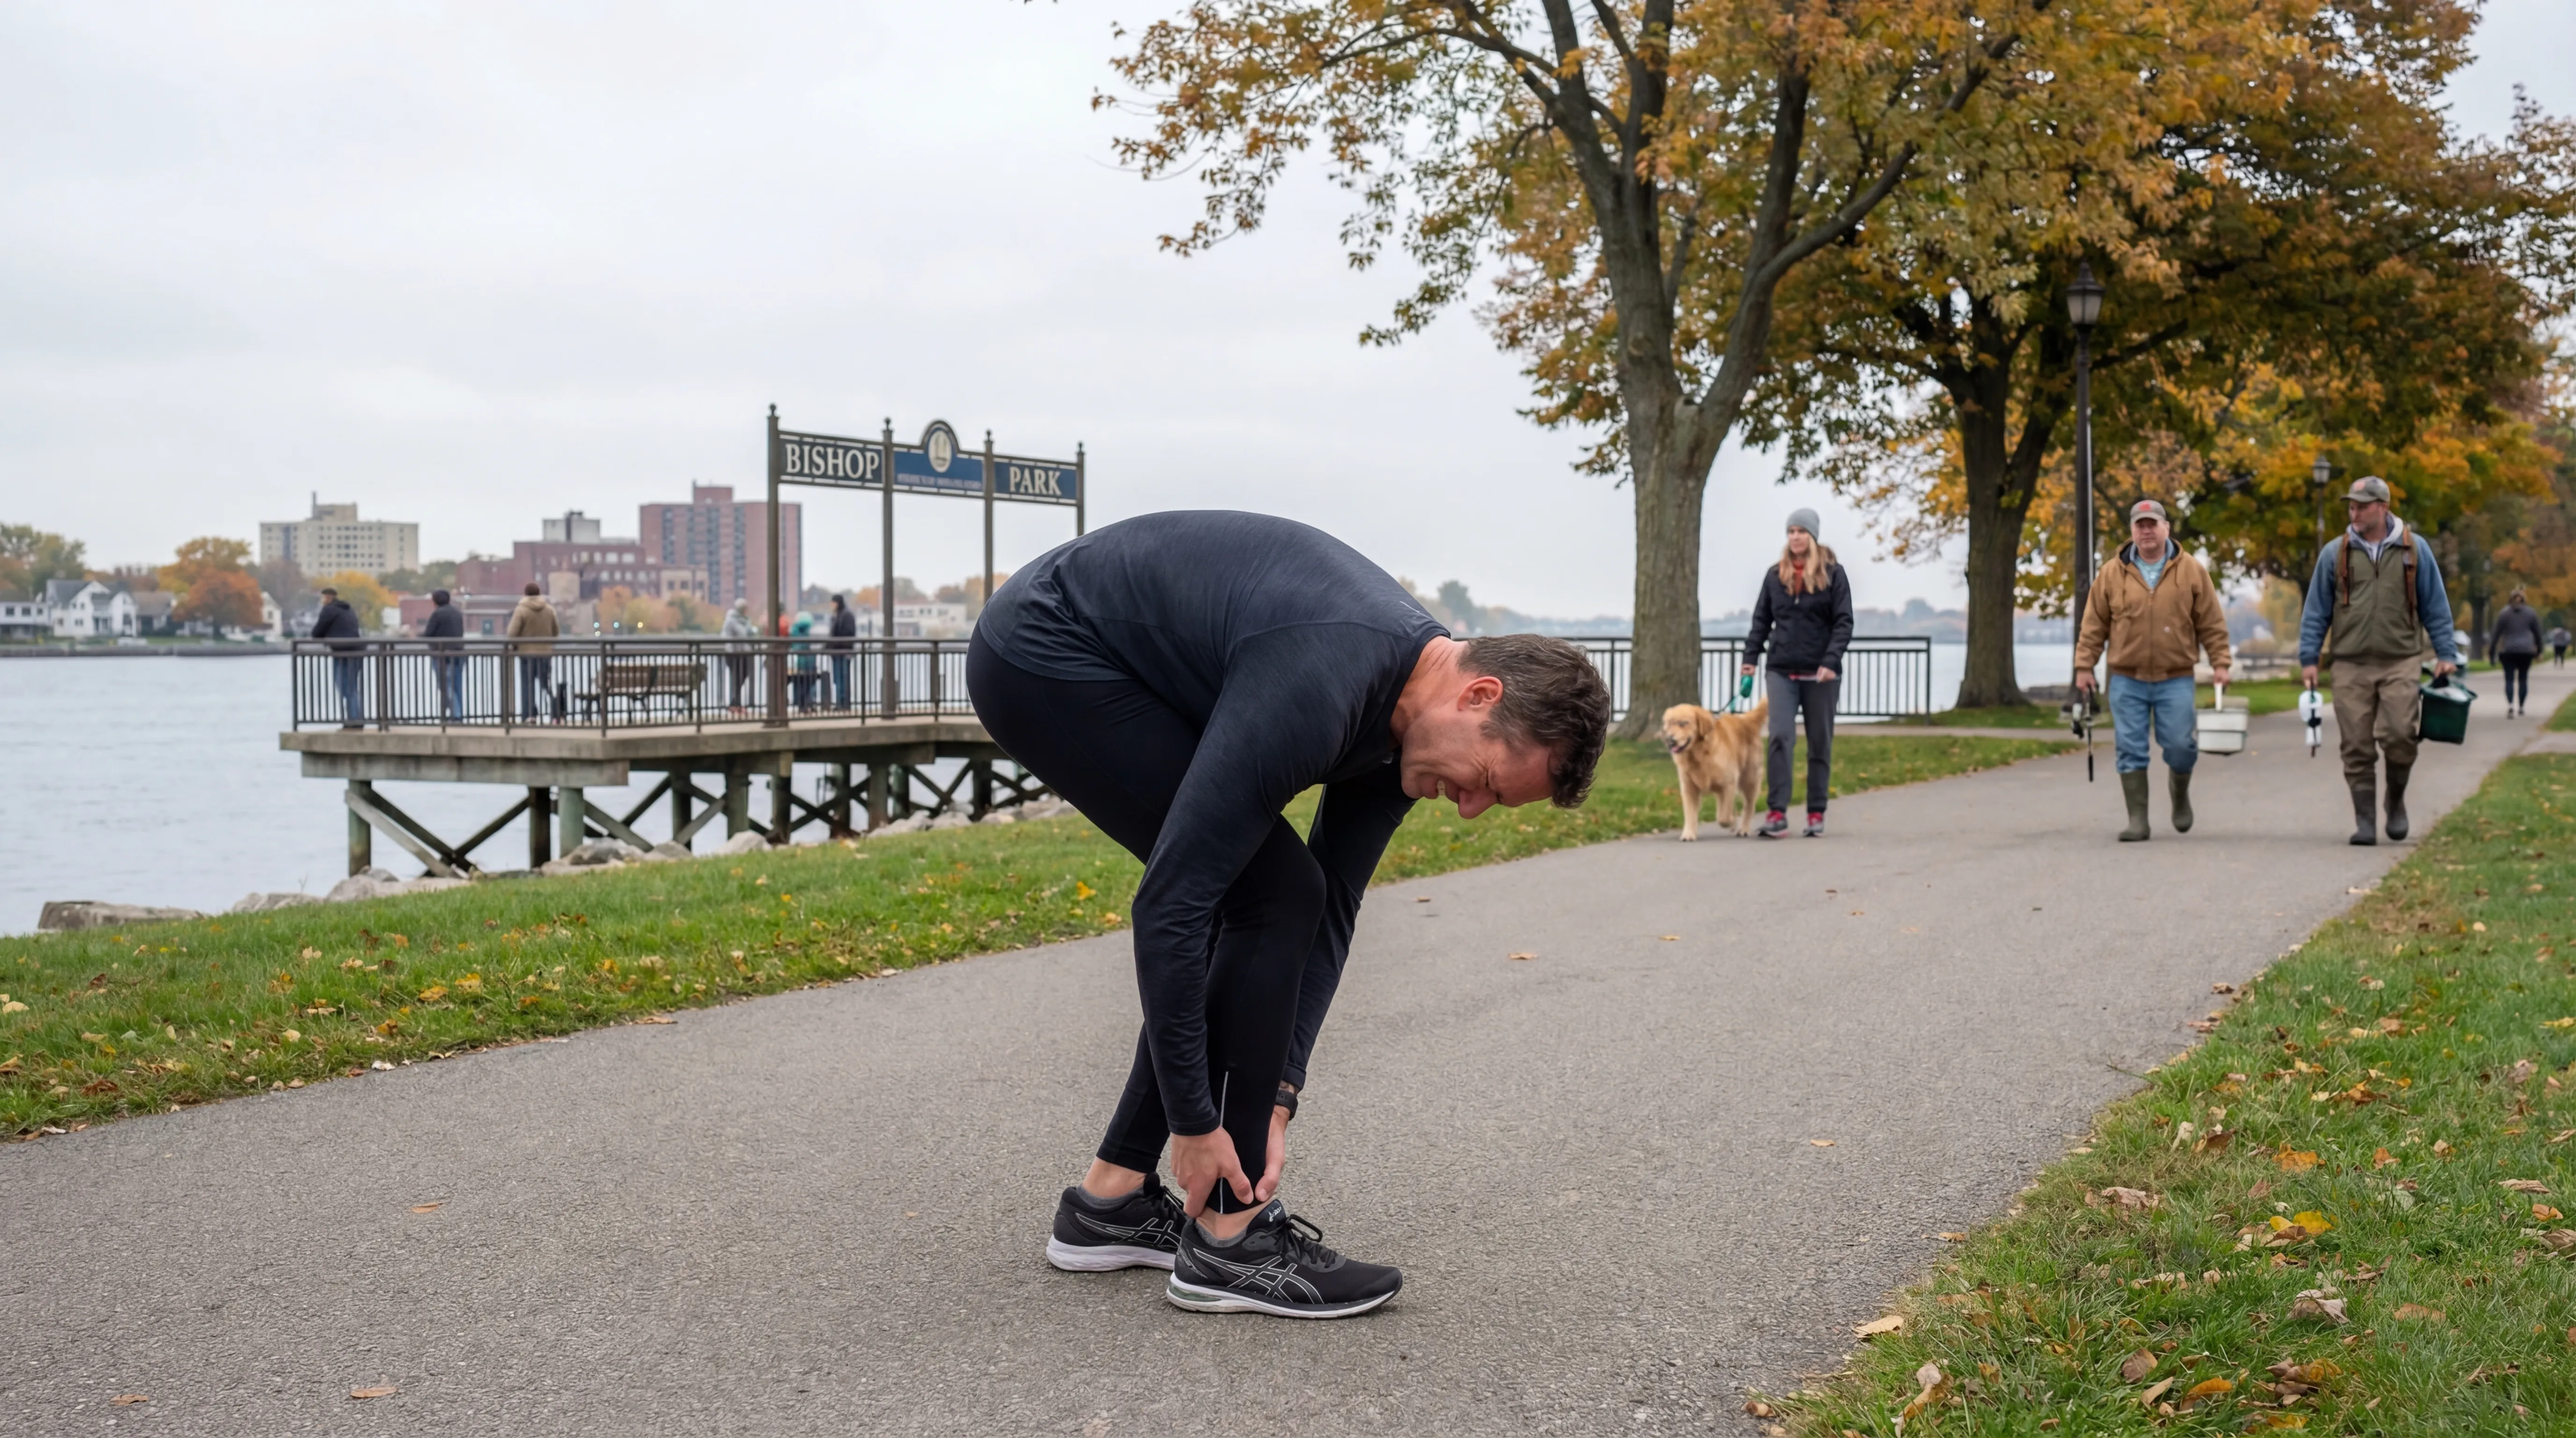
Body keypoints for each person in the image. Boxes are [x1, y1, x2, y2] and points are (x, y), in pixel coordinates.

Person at [969, 511, 1610, 1319]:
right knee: (1262, 891)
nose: (1471, 809)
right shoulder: (1327, 676)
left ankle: (1111, 1202)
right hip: (1044, 647)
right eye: (1483, 778)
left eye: (1491, 801)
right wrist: (1199, 1123)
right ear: (1478, 694)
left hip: (1115, 654)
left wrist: (1276, 1093)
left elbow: (1332, 908)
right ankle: (1231, 1238)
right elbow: (1170, 904)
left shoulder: (1404, 727)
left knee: (1283, 892)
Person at [2298, 475, 2458, 845]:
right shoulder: (2334, 554)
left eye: (2362, 504)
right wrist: (2309, 657)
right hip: (2350, 664)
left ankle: (2396, 800)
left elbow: (2436, 606)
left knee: (2402, 737)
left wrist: (2446, 652)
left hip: (2400, 659)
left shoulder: (2414, 550)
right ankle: (2366, 820)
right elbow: (2316, 612)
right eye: (2351, 504)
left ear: (2383, 507)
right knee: (2356, 745)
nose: (2354, 510)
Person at [2073, 499, 2232, 842]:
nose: (2146, 531)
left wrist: (2221, 663)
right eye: (2140, 525)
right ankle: (2138, 821)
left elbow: (2212, 622)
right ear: (2132, 531)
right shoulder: (2112, 573)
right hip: (2126, 678)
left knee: (2180, 747)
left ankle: (2180, 796)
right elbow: (2093, 625)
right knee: (2130, 746)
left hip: (2175, 677)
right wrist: (2084, 666)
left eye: (2152, 524)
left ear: (2166, 528)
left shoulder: (2192, 570)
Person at [1740, 508, 1853, 838]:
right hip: (1781, 670)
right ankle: (1777, 812)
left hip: (1822, 674)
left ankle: (1816, 812)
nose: (1795, 537)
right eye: (1791, 531)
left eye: (1801, 531)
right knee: (1780, 738)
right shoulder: (1776, 575)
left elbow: (1844, 622)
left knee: (1820, 743)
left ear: (1813, 536)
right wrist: (1751, 657)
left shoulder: (1834, 574)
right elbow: (1761, 621)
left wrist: (1831, 662)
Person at [312, 586, 365, 728]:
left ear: (328, 597)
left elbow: (317, 632)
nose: (321, 601)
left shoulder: (329, 610)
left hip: (342, 652)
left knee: (343, 686)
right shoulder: (347, 608)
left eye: (322, 598)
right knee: (352, 688)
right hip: (357, 650)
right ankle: (357, 719)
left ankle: (354, 720)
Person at [506, 582, 560, 721]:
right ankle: (557, 713)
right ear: (539, 593)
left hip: (527, 654)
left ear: (525, 594)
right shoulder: (549, 610)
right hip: (546, 654)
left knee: (527, 685)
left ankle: (530, 715)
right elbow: (556, 632)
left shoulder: (521, 610)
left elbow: (512, 633)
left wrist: (516, 645)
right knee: (547, 684)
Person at [2491, 588, 2542, 718]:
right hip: (2526, 650)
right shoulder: (2531, 614)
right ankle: (2521, 707)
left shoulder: (2504, 614)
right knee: (2523, 679)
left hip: (2508, 650)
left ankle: (2510, 705)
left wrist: (2492, 652)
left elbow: (2496, 634)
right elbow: (2538, 634)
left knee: (2509, 679)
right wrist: (2539, 650)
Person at [422, 588, 466, 720]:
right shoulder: (457, 613)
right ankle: (456, 714)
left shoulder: (438, 614)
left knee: (446, 686)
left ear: (435, 601)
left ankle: (455, 715)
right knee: (457, 686)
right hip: (459, 654)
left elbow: (429, 634)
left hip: (443, 656)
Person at [721, 599, 758, 713]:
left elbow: (749, 633)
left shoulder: (745, 620)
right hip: (734, 653)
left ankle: (735, 703)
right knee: (737, 677)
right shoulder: (732, 620)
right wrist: (750, 627)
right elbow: (741, 634)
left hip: (744, 653)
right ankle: (736, 704)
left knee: (743, 676)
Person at [828, 594, 859, 709]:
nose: (832, 605)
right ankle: (840, 703)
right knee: (838, 679)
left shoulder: (846, 616)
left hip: (843, 652)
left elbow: (849, 634)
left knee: (843, 678)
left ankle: (844, 704)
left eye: (833, 603)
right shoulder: (838, 615)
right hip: (837, 652)